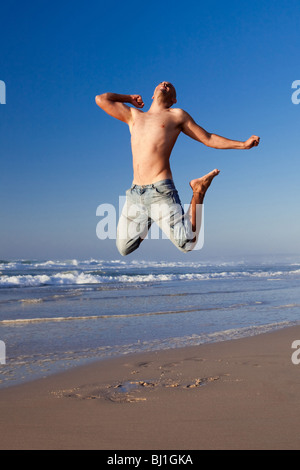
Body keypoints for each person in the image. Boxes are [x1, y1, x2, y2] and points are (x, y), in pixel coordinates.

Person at [95, 81, 260, 255]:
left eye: (170, 86)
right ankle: (150, 217)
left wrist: (242, 144)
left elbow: (208, 138)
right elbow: (101, 99)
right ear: (152, 94)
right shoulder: (134, 116)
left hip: (160, 191)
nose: (165, 83)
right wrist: (128, 98)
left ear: (173, 99)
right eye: (162, 83)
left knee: (187, 243)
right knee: (124, 248)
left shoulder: (176, 115)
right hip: (135, 194)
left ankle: (199, 189)